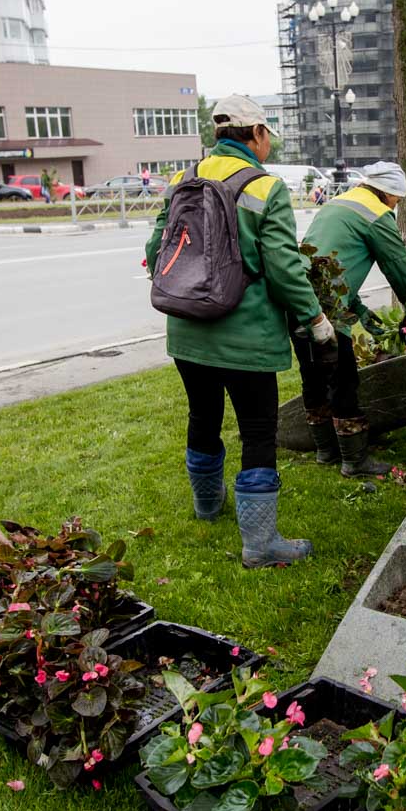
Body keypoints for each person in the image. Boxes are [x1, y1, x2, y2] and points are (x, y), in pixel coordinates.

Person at [144, 95, 334, 568]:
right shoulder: (264, 188)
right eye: (268, 136)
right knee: (256, 429)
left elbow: (155, 250)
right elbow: (284, 269)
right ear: (257, 135)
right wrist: (315, 318)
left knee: (202, 416)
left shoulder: (181, 180)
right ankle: (260, 544)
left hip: (187, 332)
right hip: (245, 336)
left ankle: (207, 507)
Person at [299, 160, 406, 476]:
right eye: (398, 198)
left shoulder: (336, 205)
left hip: (297, 300)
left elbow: (327, 261)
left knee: (312, 375)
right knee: (344, 379)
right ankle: (354, 461)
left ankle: (325, 452)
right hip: (326, 311)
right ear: (388, 192)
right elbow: (399, 268)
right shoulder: (376, 214)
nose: (397, 204)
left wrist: (360, 308)